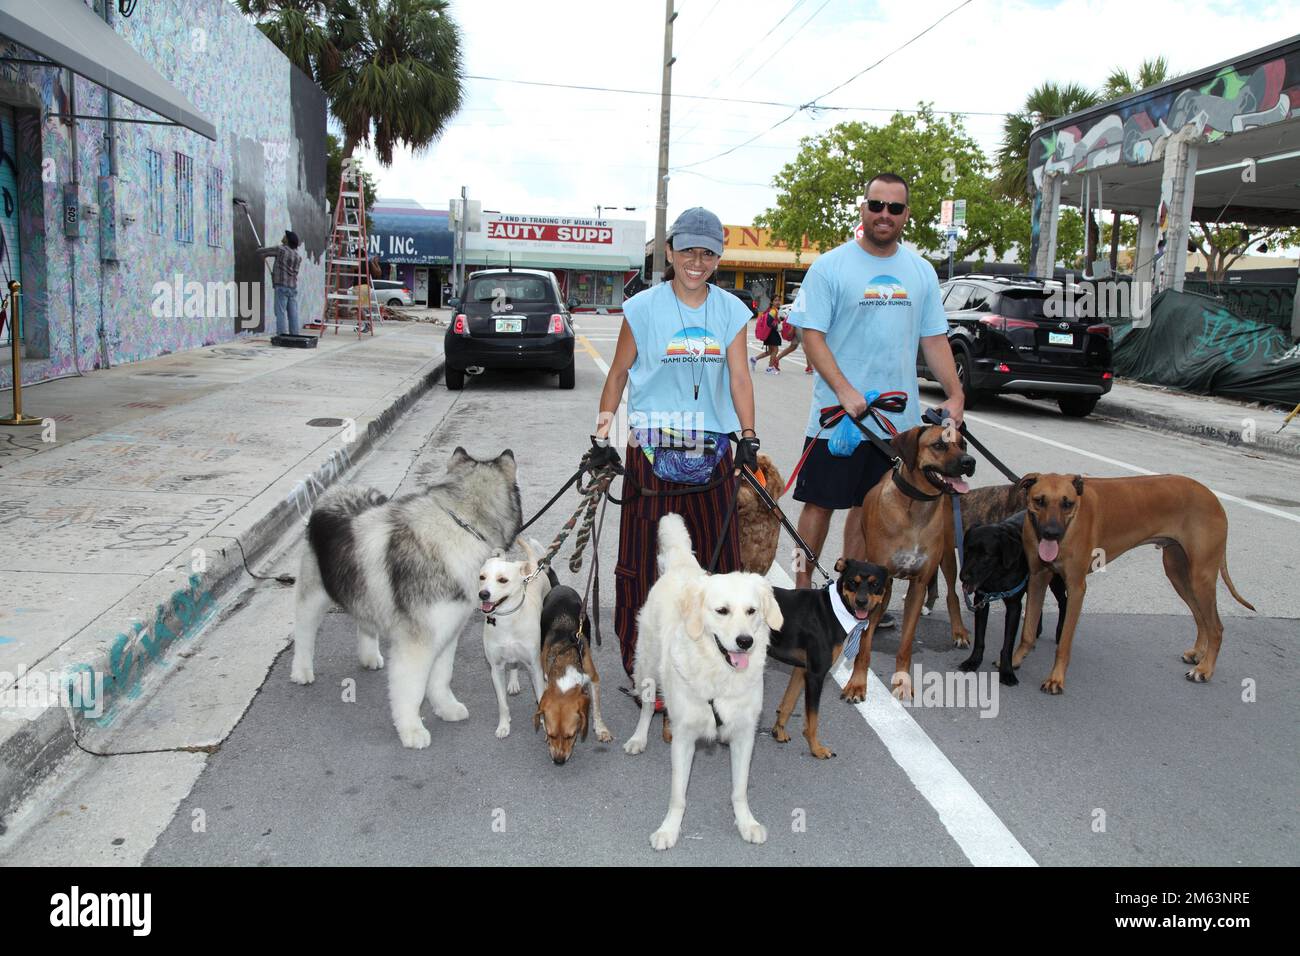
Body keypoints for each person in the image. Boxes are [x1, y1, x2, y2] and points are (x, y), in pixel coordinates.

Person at [591, 207, 760, 680]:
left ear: (718, 259)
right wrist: (601, 436)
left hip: (712, 454)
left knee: (718, 562)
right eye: (688, 250)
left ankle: (718, 659)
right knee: (645, 561)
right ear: (669, 251)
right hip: (649, 451)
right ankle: (644, 663)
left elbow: (741, 378)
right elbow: (620, 374)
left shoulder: (731, 311)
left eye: (708, 253)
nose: (697, 261)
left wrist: (747, 437)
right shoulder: (642, 308)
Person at [785, 172, 966, 608]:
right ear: (863, 209)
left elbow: (934, 339)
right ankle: (801, 595)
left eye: (895, 208)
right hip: (838, 417)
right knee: (818, 506)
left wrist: (956, 395)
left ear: (906, 216)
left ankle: (851, 597)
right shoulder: (831, 266)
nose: (885, 214)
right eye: (877, 205)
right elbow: (811, 335)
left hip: (896, 426)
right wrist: (845, 391)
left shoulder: (920, 272)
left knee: (869, 510)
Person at [257, 230, 302, 337]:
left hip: (281, 286)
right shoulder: (297, 256)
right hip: (292, 288)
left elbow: (261, 252)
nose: (283, 237)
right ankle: (294, 335)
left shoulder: (280, 249)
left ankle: (282, 336)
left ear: (287, 240)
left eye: (285, 236)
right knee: (293, 314)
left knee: (280, 312)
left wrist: (260, 250)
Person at [774, 304, 813, 374]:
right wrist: (793, 326)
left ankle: (776, 359)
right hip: (798, 327)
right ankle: (809, 367)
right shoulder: (804, 302)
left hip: (797, 326)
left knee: (793, 347)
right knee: (806, 346)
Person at [749, 302, 783, 375]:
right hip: (771, 333)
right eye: (776, 300)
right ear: (772, 302)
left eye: (778, 300)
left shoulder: (770, 310)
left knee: (771, 351)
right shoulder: (773, 311)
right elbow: (769, 322)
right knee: (775, 350)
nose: (778, 302)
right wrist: (777, 325)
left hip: (769, 333)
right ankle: (769, 368)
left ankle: (754, 359)